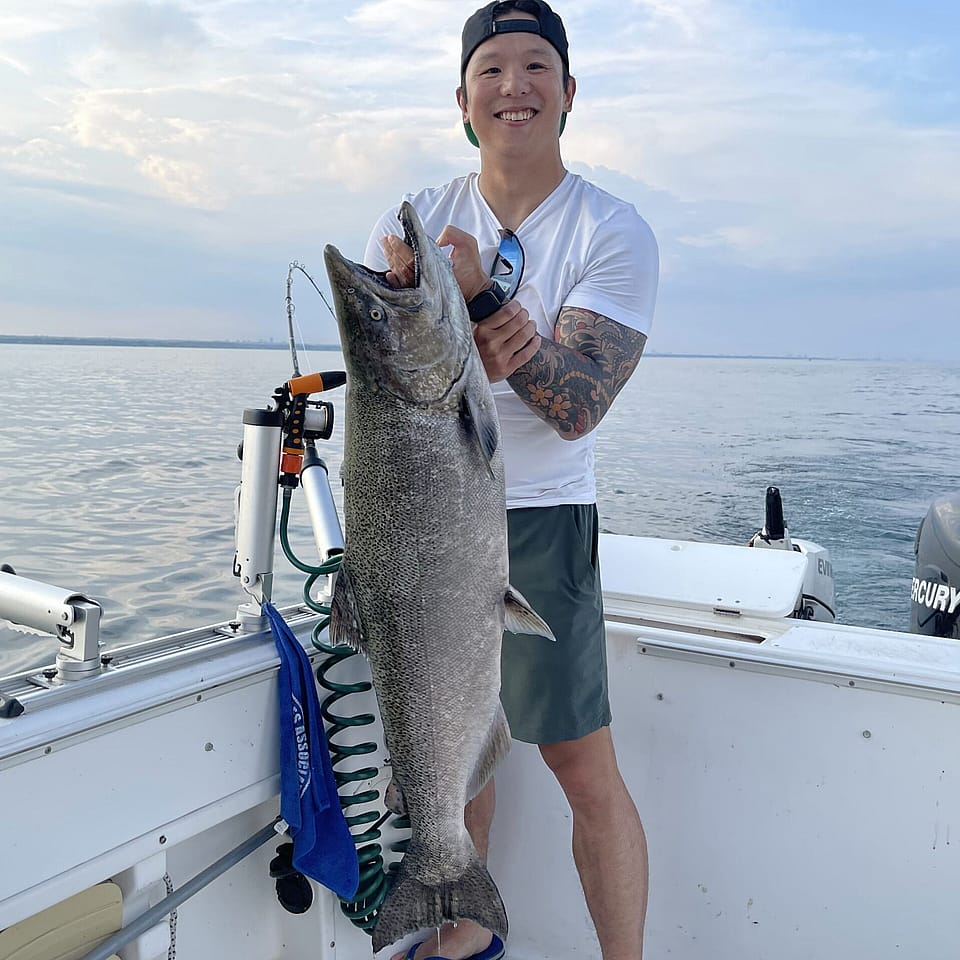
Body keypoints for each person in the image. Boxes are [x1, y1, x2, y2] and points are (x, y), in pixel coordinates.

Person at [364, 3, 659, 958]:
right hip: (419, 517)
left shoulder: (612, 230)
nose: (513, 87)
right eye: (490, 69)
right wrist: (482, 333)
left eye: (536, 66)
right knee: (454, 758)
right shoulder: (412, 221)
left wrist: (483, 301)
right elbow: (394, 374)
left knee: (580, 763)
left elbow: (577, 405)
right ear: (463, 101)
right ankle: (462, 933)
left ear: (569, 92)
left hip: (538, 516)